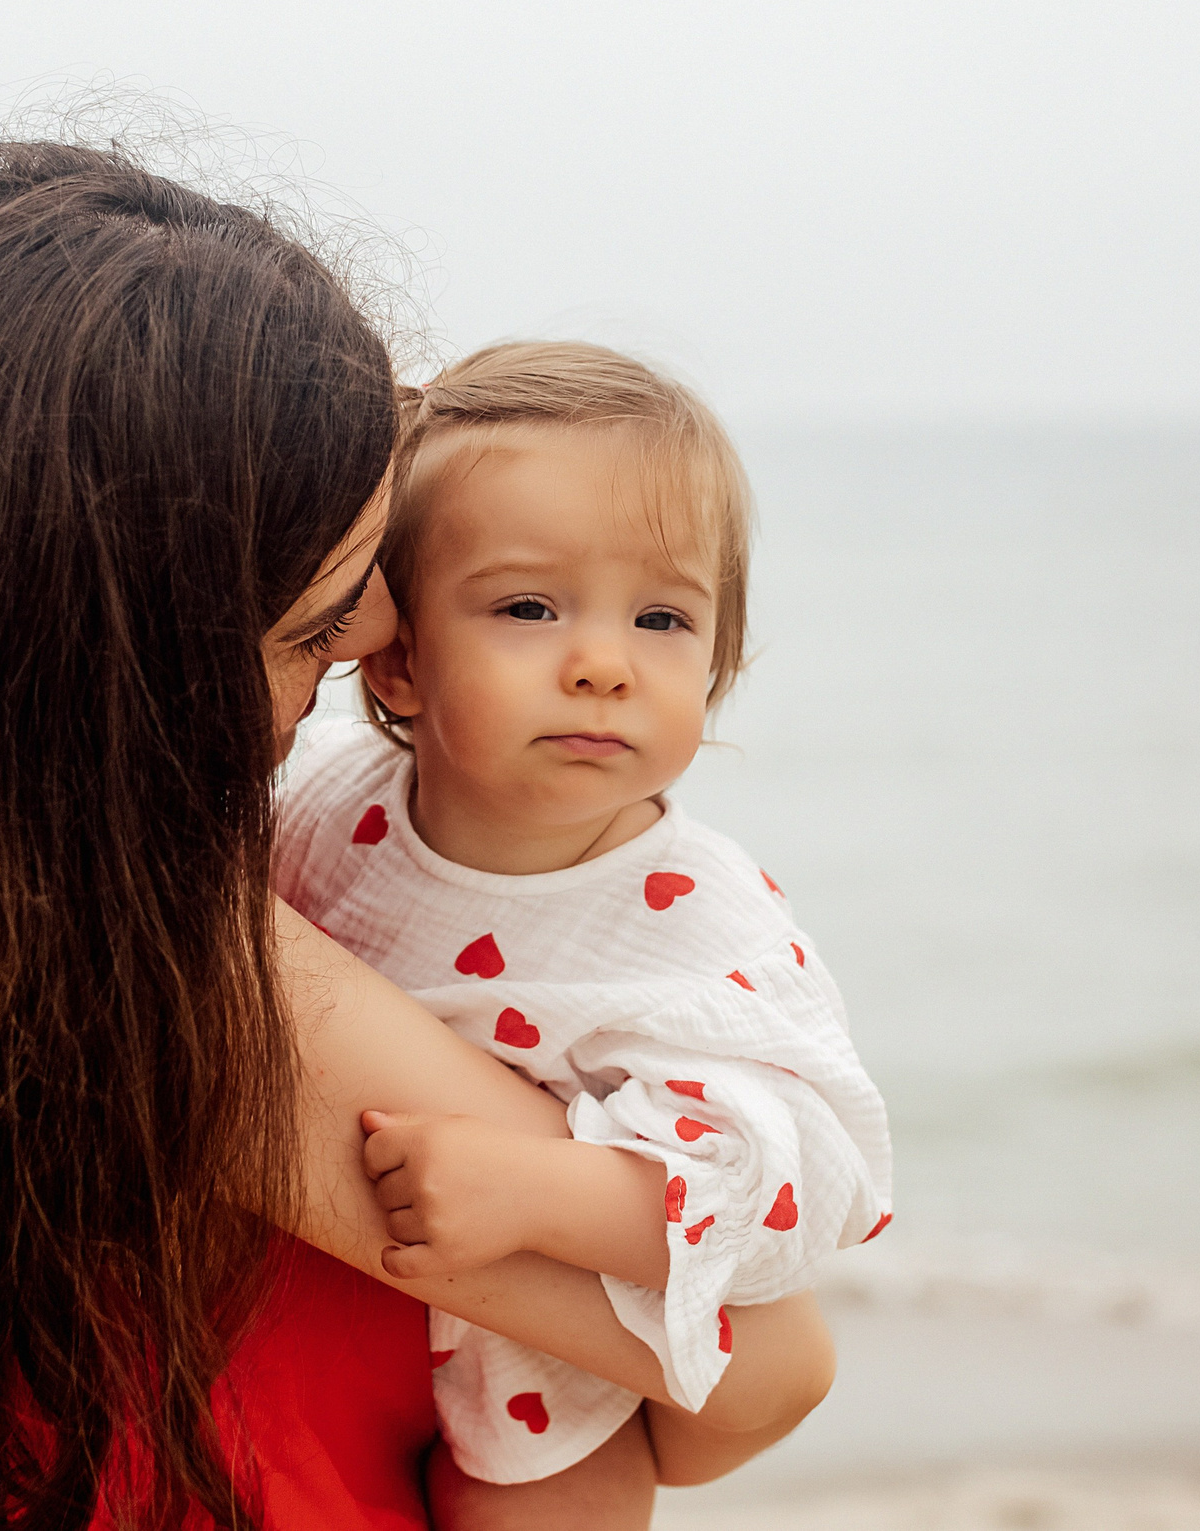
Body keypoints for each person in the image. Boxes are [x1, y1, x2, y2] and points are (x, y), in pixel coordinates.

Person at [0, 141, 836, 1531]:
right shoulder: (196, 984)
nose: (379, 630)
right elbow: (767, 1364)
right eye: (316, 624)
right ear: (128, 649)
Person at [274, 342, 894, 1529]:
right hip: (328, 1318)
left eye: (662, 618)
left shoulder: (697, 921)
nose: (604, 665)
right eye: (527, 607)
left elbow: (789, 1193)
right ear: (397, 659)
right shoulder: (328, 804)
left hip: (552, 1391)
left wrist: (540, 1192)